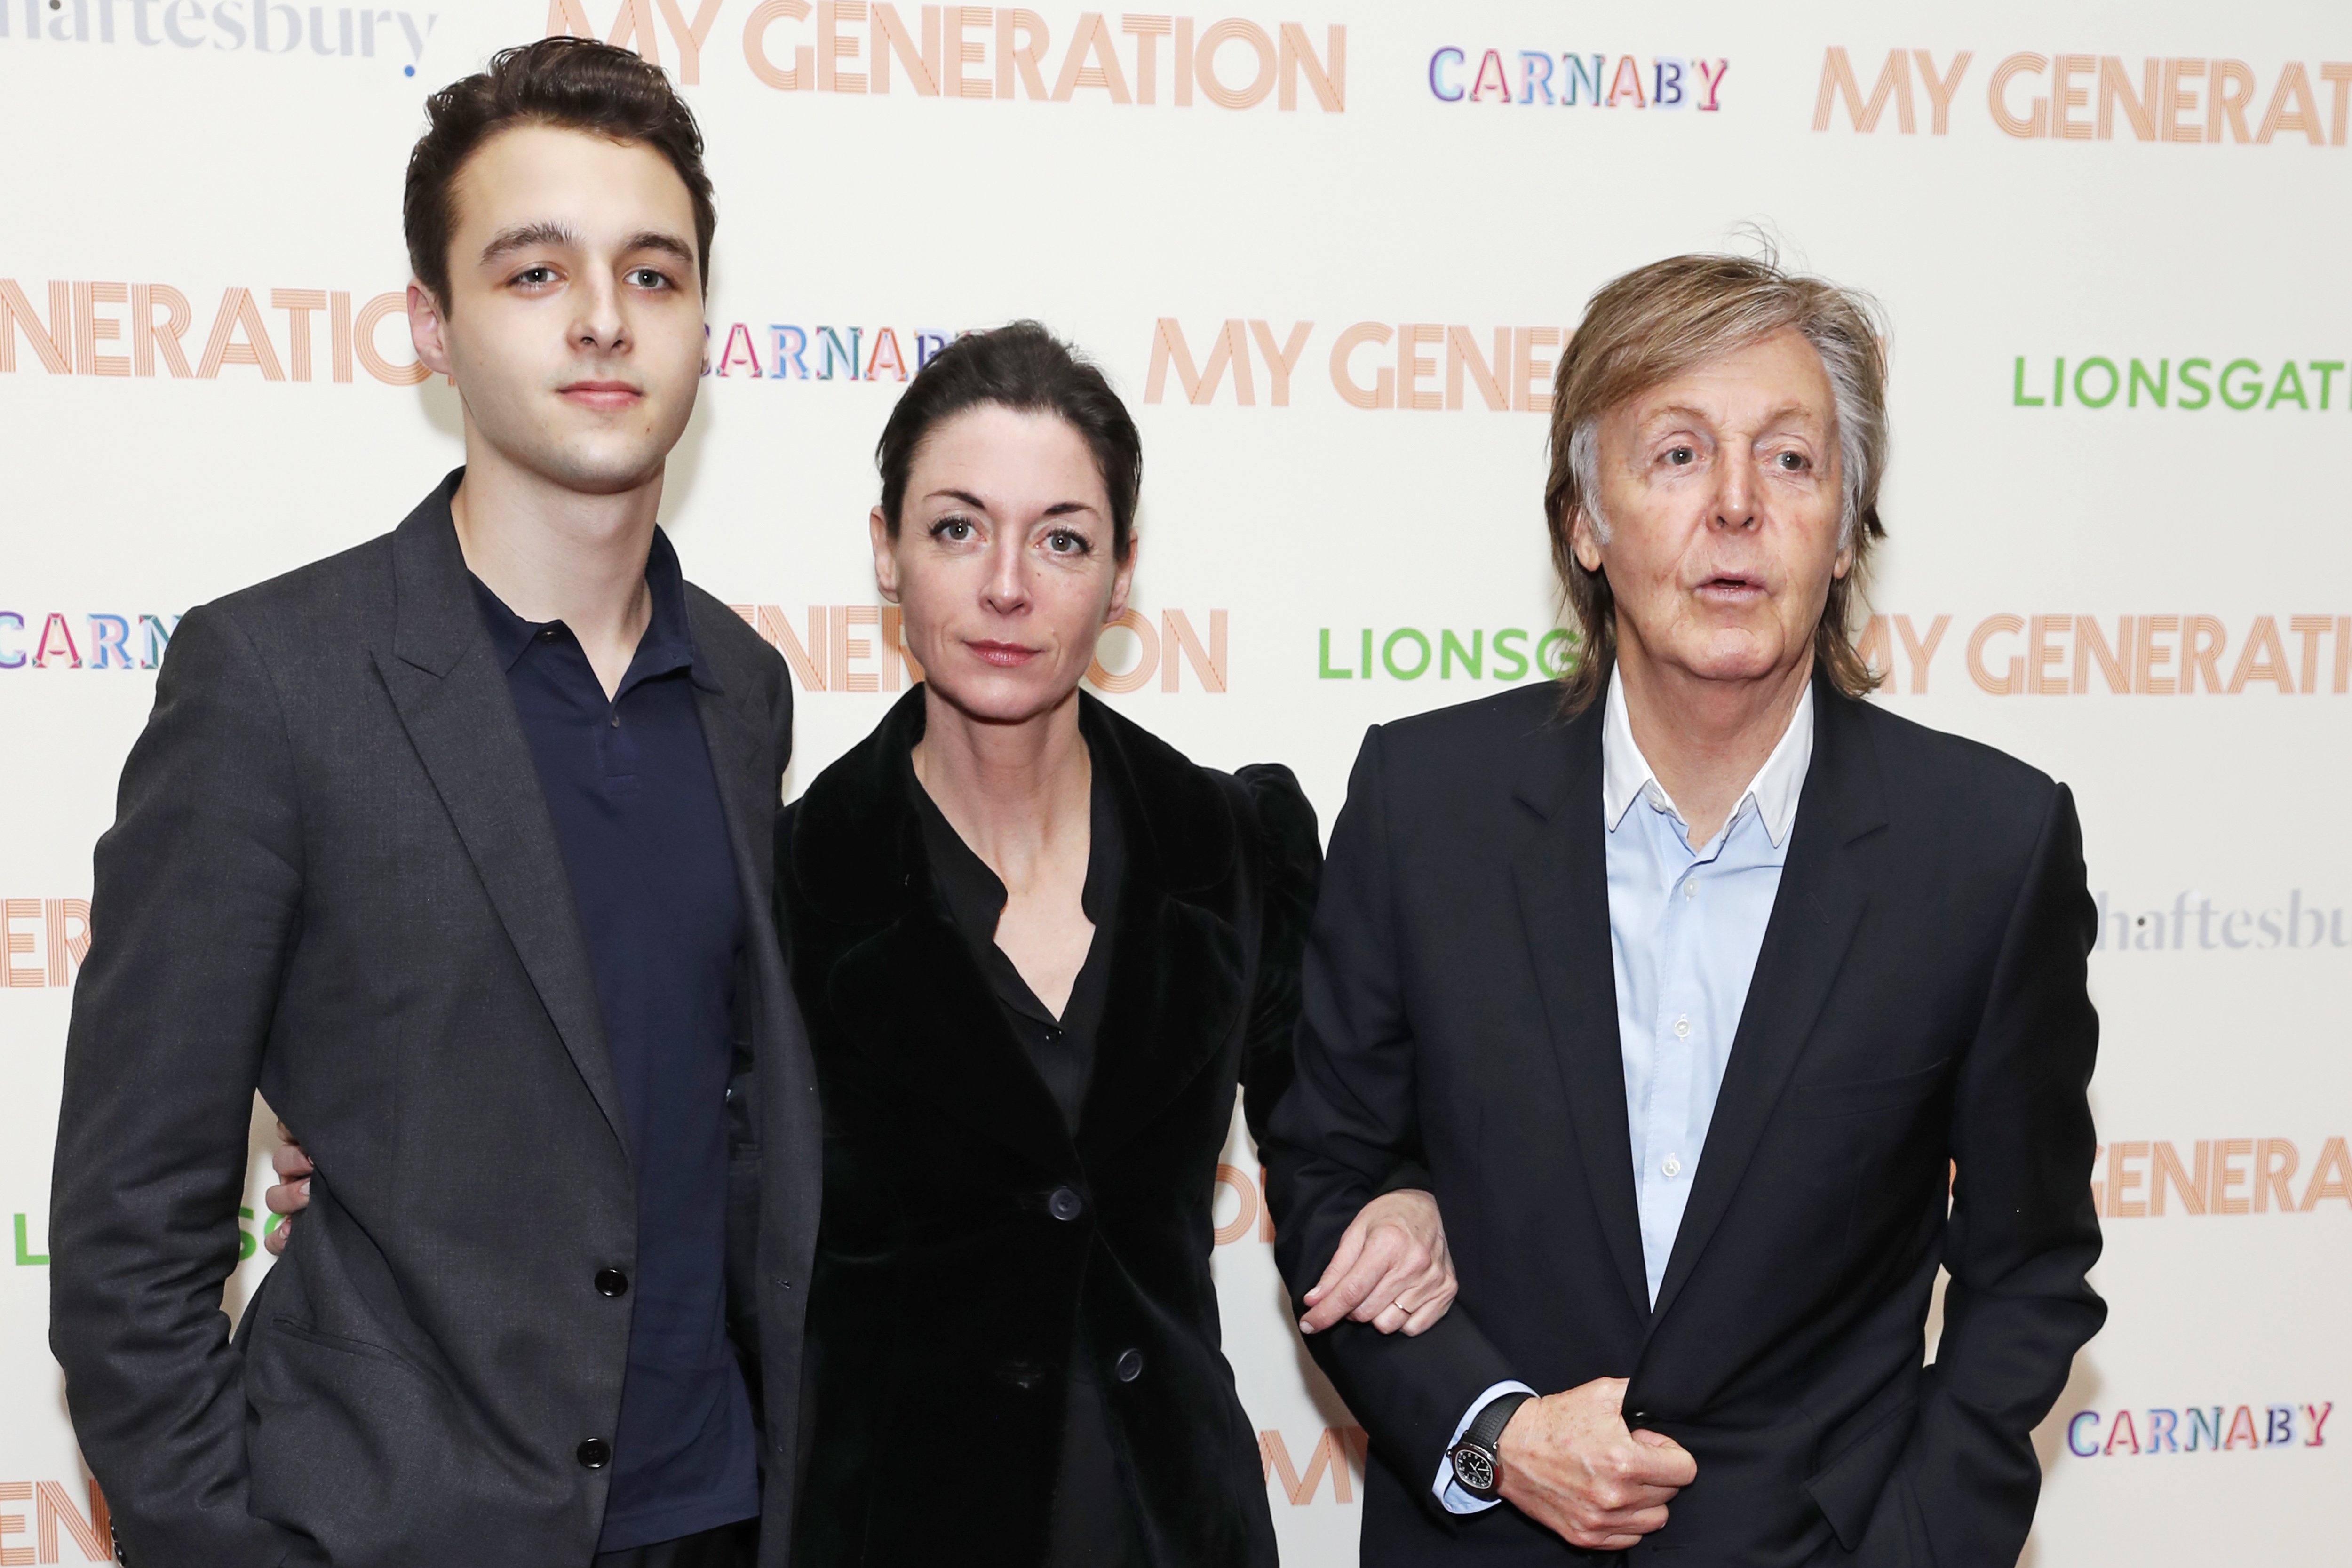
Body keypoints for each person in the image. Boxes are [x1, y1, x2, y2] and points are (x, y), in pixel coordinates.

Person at [50, 39, 817, 1568]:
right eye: (533, 273)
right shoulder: (271, 682)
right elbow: (134, 1223)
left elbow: (694, 1103)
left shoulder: (742, 684)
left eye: (654, 276)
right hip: (396, 1526)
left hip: (719, 1514)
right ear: (431, 327)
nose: (604, 318)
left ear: (705, 327)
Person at [1264, 253, 2105, 1566]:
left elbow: (2027, 1272)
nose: (1733, 508)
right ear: (1584, 524)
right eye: (1675, 455)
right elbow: (1330, 1171)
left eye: (1789, 461)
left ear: (1846, 531)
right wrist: (1496, 1431)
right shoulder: (1424, 802)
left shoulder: (1988, 848)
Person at [773, 322, 1451, 1567]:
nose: (1008, 587)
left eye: (1063, 538)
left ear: (1123, 572)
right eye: (957, 527)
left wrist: (1408, 1192)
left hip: (1169, 1527)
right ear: (885, 551)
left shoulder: (1232, 844)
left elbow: (1338, 1133)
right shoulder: (783, 885)